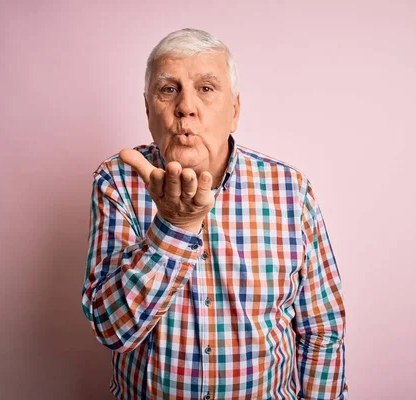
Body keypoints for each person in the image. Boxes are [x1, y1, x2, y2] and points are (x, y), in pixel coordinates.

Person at [82, 28, 347, 400]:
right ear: (147, 109)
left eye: (206, 88)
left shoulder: (290, 189)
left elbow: (322, 329)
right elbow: (113, 330)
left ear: (235, 110)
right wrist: (175, 227)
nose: (186, 106)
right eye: (168, 89)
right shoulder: (118, 181)